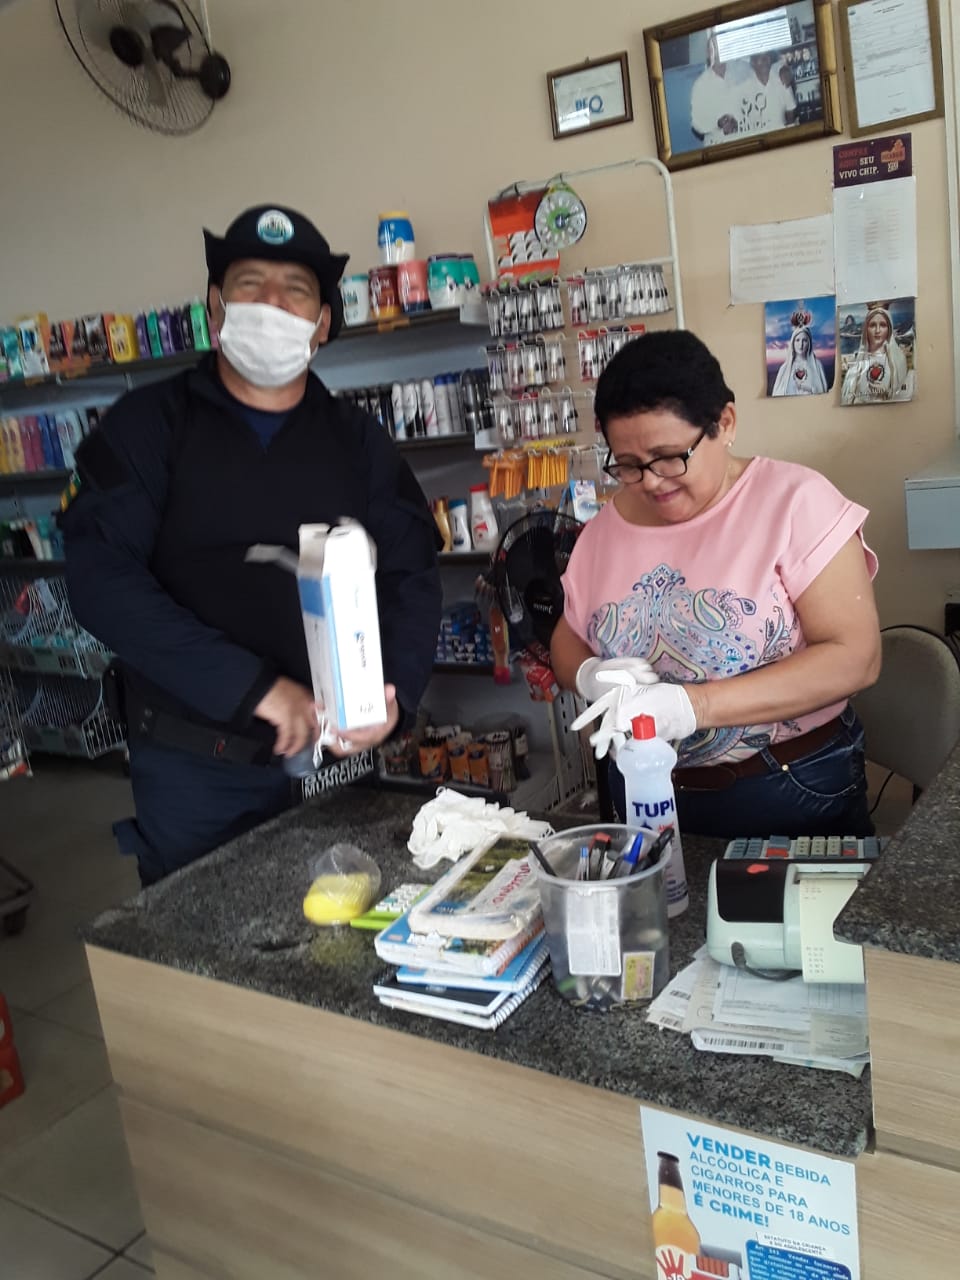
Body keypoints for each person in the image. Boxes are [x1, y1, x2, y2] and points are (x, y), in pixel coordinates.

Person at [62, 204, 442, 885]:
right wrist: (254, 689)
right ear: (216, 307)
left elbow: (411, 574)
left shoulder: (358, 441)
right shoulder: (147, 427)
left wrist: (396, 693)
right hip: (196, 768)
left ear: (322, 323)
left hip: (337, 761)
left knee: (344, 925)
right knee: (202, 932)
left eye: (295, 289)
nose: (271, 302)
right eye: (249, 283)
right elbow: (101, 582)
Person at [551, 330, 881, 838]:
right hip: (646, 794)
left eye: (668, 456)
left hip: (786, 787)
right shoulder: (604, 531)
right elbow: (566, 636)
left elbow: (855, 657)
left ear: (724, 423)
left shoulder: (796, 503)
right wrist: (591, 674)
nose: (651, 481)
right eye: (629, 465)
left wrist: (694, 706)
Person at [840, 304, 909, 405]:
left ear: (889, 329)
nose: (877, 330)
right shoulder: (856, 365)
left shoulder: (899, 360)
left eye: (883, 325)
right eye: (872, 325)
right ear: (866, 330)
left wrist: (887, 394)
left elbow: (905, 395)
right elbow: (847, 400)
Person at [690, 32, 739, 147]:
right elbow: (696, 124)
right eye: (714, 48)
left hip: (743, 139)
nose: (718, 52)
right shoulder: (700, 85)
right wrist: (717, 123)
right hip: (716, 145)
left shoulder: (740, 71)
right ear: (708, 53)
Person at [737, 52, 797, 134]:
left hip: (780, 133)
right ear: (753, 63)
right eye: (759, 56)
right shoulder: (745, 88)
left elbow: (790, 111)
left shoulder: (782, 79)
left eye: (767, 56)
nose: (764, 59)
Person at [771, 322, 829, 396]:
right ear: (793, 343)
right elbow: (776, 394)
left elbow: (823, 392)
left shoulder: (817, 365)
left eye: (804, 340)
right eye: (797, 340)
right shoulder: (784, 368)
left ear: (809, 343)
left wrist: (810, 390)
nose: (801, 344)